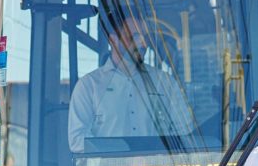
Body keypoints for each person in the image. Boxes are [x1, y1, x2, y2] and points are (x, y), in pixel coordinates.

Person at [68, 14, 194, 153]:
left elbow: (185, 134)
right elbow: (77, 141)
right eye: (134, 37)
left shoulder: (165, 83)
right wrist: (117, 157)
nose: (143, 44)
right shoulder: (89, 86)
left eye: (144, 37)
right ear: (113, 40)